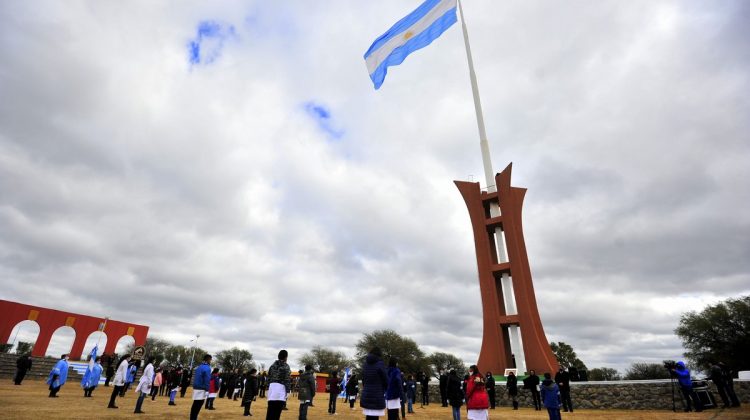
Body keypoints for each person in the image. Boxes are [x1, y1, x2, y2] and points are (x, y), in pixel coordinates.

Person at [361, 346, 388, 420]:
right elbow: (386, 380)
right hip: (377, 395)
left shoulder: (365, 364)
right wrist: (384, 389)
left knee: (368, 416)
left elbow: (363, 379)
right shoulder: (380, 364)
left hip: (366, 394)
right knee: (375, 417)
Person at [266, 349, 292, 420]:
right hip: (280, 389)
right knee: (277, 412)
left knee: (270, 411)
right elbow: (287, 380)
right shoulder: (286, 366)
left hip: (272, 389)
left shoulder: (272, 366)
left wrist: (267, 388)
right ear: (286, 357)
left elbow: (268, 378)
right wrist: (288, 391)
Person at [191, 354, 213, 420]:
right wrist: (207, 389)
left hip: (196, 387)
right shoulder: (207, 368)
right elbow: (207, 379)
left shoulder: (199, 366)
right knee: (198, 405)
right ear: (209, 360)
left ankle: (193, 418)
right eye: (210, 360)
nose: (210, 361)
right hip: (202, 388)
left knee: (195, 404)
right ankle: (194, 418)